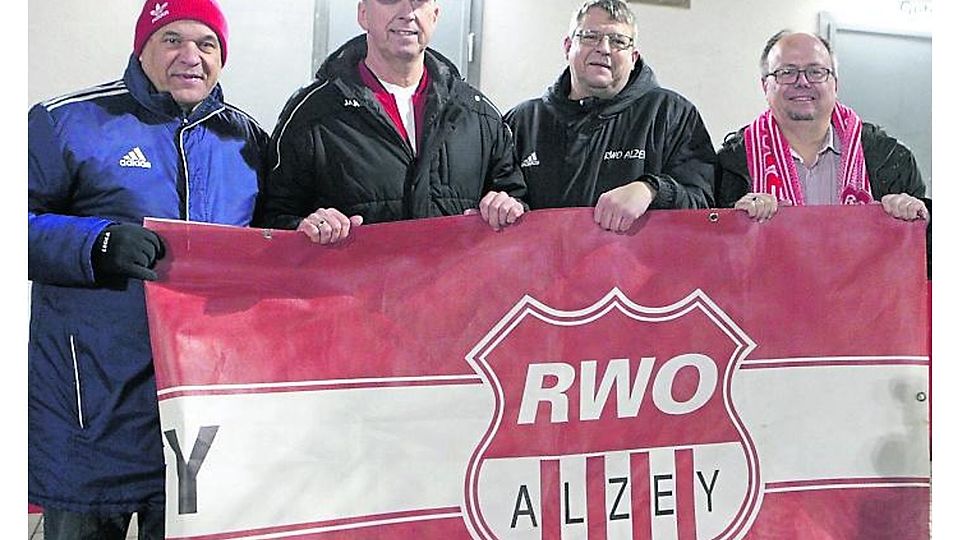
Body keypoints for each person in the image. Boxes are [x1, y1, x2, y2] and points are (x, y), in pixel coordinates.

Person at [27, 0, 267, 537]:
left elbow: (272, 242)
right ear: (142, 49)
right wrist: (95, 243)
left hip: (197, 413)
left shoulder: (246, 140)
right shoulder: (66, 122)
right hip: (90, 408)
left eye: (206, 44)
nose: (190, 56)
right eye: (172, 40)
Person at [255, 0, 526, 242]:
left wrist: (508, 207)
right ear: (363, 14)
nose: (407, 12)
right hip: (356, 285)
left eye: (419, 1)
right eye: (390, 0)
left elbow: (517, 205)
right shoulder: (311, 113)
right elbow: (271, 219)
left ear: (435, 15)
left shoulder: (479, 114)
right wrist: (306, 226)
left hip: (453, 285)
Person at [504, 0, 715, 234]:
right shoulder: (521, 123)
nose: (604, 48)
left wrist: (653, 190)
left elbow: (705, 207)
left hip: (641, 259)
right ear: (567, 46)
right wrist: (506, 206)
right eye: (590, 36)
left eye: (618, 41)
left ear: (633, 57)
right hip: (540, 258)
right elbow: (499, 198)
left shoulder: (672, 115)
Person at [715, 31, 930, 224]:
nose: (802, 82)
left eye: (816, 71)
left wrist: (922, 220)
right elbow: (710, 247)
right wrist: (732, 223)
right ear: (765, 86)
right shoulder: (729, 168)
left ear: (835, 84)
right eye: (786, 72)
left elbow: (929, 248)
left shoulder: (891, 159)